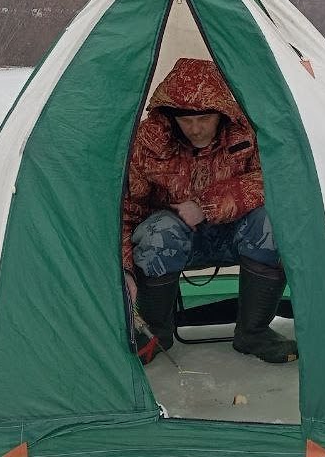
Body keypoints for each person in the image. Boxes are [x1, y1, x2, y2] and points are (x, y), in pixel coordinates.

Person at [121, 57, 298, 365]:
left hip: (236, 237)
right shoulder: (147, 143)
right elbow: (127, 210)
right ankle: (155, 335)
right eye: (186, 121)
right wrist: (124, 268)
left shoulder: (246, 133)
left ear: (221, 114)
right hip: (174, 244)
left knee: (273, 222)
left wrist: (205, 207)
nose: (195, 129)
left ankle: (253, 333)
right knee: (157, 231)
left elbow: (271, 181)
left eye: (204, 119)